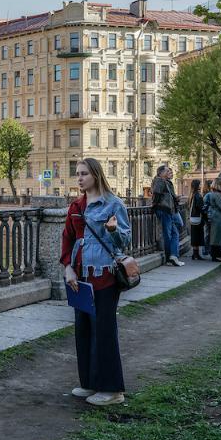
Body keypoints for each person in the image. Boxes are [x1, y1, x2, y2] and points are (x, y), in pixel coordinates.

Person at [61, 158, 132, 407]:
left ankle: (112, 389)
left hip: (104, 276)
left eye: (84, 174)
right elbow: (68, 239)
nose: (79, 178)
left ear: (96, 175)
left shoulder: (113, 204)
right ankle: (90, 382)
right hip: (81, 278)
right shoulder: (77, 206)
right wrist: (68, 268)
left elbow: (124, 241)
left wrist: (113, 230)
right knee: (83, 330)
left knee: (104, 331)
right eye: (77, 174)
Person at [151, 165, 184, 266]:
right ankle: (170, 256)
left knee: (173, 233)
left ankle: (173, 256)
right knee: (169, 233)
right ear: (161, 173)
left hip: (168, 210)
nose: (169, 172)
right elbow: (156, 193)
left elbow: (165, 195)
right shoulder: (159, 180)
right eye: (166, 171)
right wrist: (155, 205)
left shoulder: (165, 181)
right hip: (164, 209)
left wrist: (175, 198)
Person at [203, 178, 221, 261]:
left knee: (218, 236)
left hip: (218, 217)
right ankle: (215, 255)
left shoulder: (216, 193)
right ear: (219, 185)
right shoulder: (216, 194)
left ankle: (218, 253)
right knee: (216, 237)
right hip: (218, 217)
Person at [189, 179, 205, 260]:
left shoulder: (192, 194)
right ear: (197, 185)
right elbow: (201, 207)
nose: (201, 185)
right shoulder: (198, 195)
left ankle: (195, 253)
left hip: (193, 218)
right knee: (197, 236)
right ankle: (196, 254)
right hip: (198, 218)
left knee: (194, 236)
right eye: (200, 184)